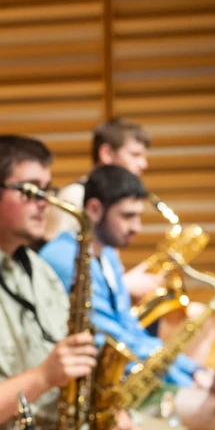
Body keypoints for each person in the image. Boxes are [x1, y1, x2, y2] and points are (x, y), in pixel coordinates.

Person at [0, 135, 215, 430]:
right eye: (31, 191)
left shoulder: (38, 272)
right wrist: (42, 377)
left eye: (48, 191)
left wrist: (112, 416)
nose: (45, 203)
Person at [40, 165, 215, 430]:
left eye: (138, 216)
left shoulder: (107, 254)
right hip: (99, 393)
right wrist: (185, 376)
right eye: (127, 216)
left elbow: (129, 327)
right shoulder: (65, 258)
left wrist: (190, 369)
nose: (137, 226)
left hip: (126, 376)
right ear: (95, 209)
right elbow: (112, 338)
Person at [44, 118, 160, 301]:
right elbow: (62, 268)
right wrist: (125, 285)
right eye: (135, 155)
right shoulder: (76, 196)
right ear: (106, 153)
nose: (143, 164)